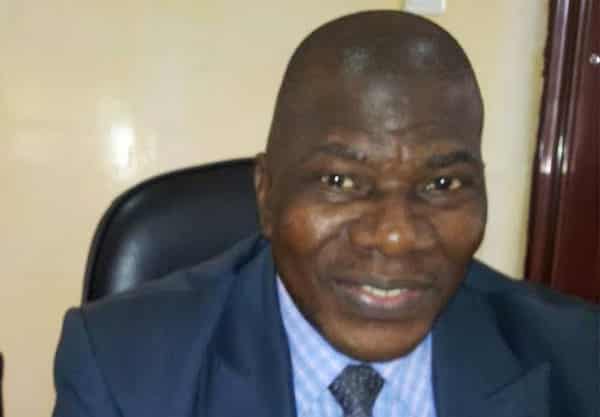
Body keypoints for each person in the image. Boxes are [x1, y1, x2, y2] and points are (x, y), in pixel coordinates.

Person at [52, 10, 598, 417]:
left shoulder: (579, 359)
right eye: (340, 182)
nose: (395, 236)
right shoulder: (124, 371)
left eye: (441, 184)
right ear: (266, 194)